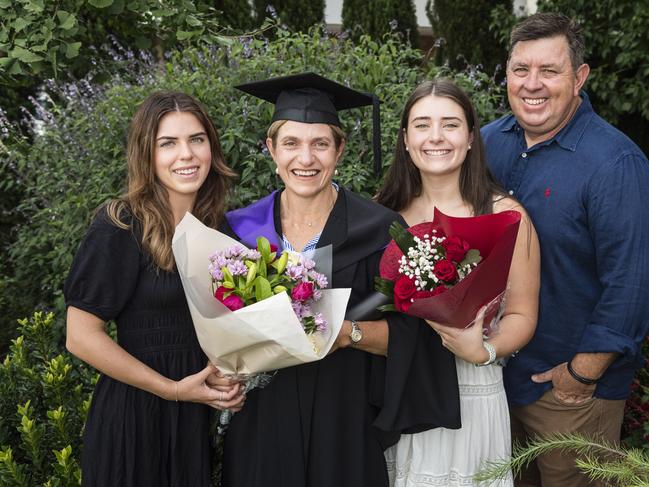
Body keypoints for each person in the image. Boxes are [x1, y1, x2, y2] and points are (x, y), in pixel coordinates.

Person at [218, 72, 461, 487]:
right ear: (271, 149)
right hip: (262, 419)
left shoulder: (379, 230)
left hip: (344, 420)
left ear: (340, 149)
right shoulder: (240, 232)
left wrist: (347, 334)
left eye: (320, 144)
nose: (306, 159)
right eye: (291, 143)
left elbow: (416, 337)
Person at [481, 12, 649, 487]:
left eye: (549, 71)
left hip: (570, 396)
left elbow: (632, 284)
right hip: (493, 381)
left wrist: (582, 373)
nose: (532, 85)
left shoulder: (616, 163)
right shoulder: (487, 145)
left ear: (579, 77)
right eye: (520, 69)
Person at [64, 91, 244, 486]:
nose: (187, 154)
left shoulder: (219, 231)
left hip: (191, 420)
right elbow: (80, 337)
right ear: (147, 154)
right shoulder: (121, 226)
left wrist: (225, 378)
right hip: (133, 416)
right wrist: (172, 389)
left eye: (197, 139)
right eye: (168, 143)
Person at [377, 79, 540, 486]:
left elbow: (521, 313)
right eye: (422, 125)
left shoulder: (505, 214)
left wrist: (484, 349)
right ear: (405, 139)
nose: (436, 137)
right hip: (402, 390)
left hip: (472, 392)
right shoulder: (382, 216)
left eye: (450, 125)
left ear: (470, 137)